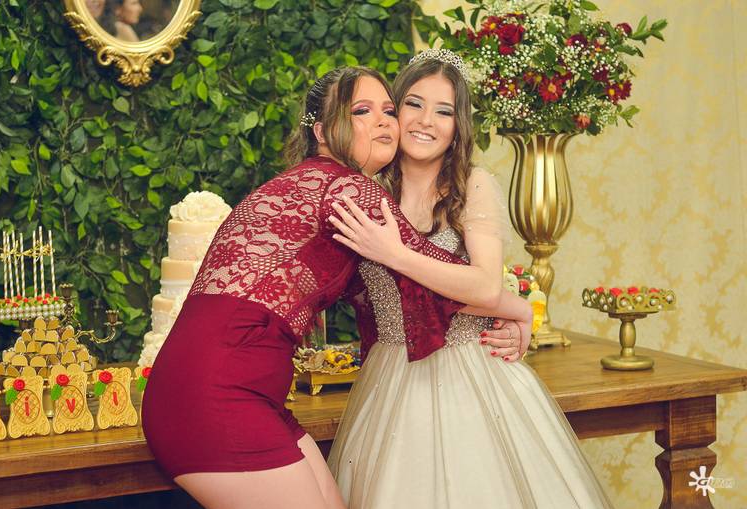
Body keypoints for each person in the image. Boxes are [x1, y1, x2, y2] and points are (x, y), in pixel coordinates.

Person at [142, 66, 519, 509]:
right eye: (362, 111)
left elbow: (396, 293)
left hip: (223, 389)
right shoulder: (350, 189)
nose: (383, 122)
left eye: (388, 111)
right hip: (219, 395)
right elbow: (443, 279)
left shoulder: (305, 184)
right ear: (321, 131)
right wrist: (519, 312)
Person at [327, 50, 614, 509]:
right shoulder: (366, 187)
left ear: (458, 125)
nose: (426, 121)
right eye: (414, 104)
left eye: (444, 111)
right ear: (393, 111)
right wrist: (517, 309)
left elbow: (483, 287)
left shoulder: (472, 183)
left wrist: (395, 254)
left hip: (472, 371)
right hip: (390, 373)